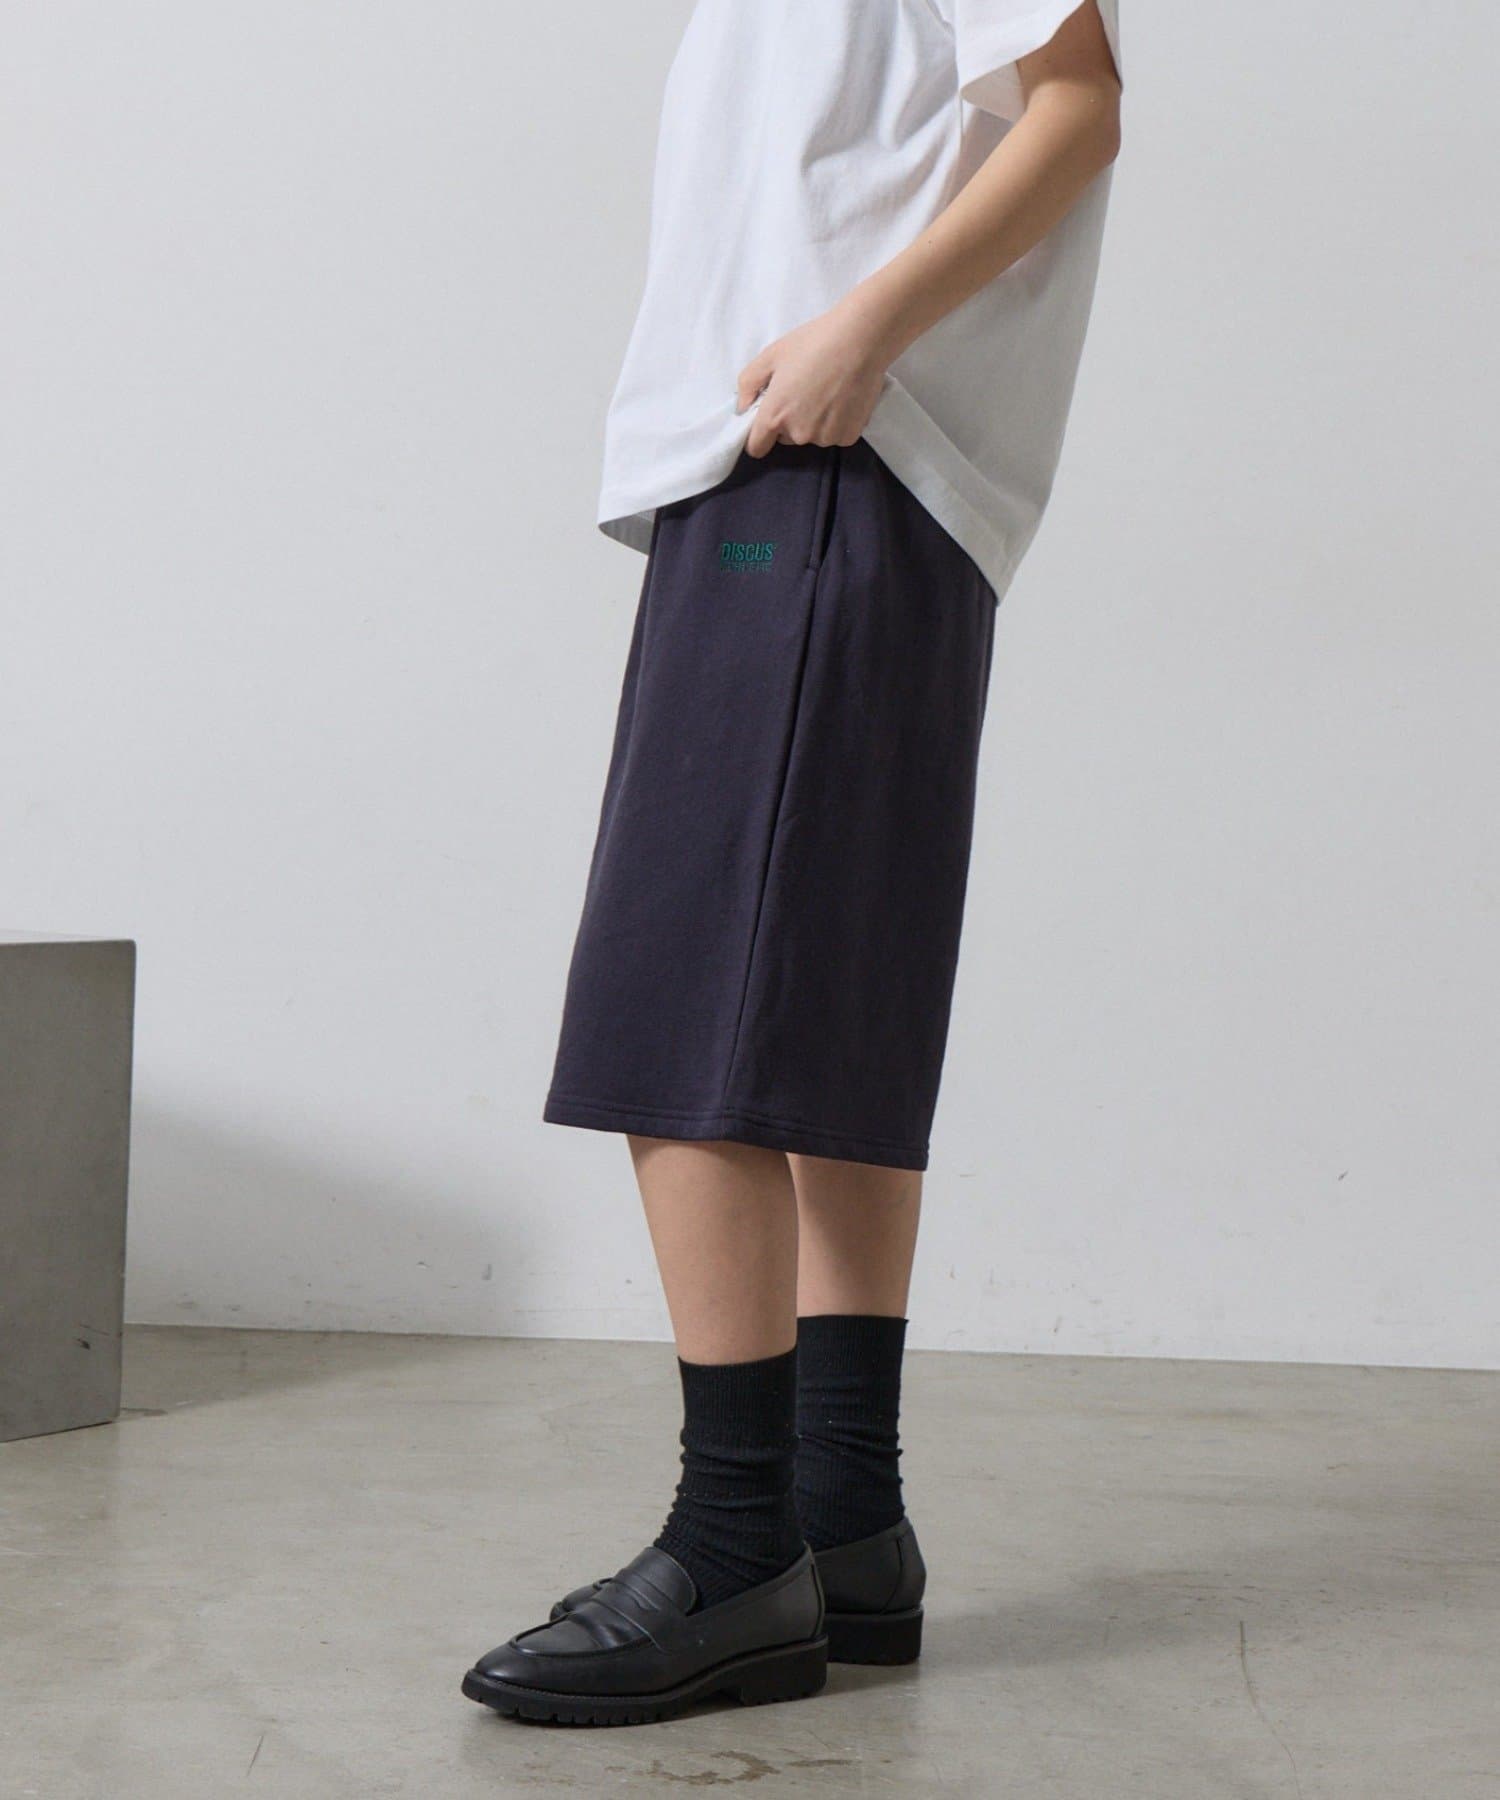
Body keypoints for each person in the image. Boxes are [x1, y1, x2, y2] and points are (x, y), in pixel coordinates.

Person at [464, 0, 1123, 1726]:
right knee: (826, 1003)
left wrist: (860, 336)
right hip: (828, 471)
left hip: (825, 458)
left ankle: (734, 1545)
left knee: (693, 1009)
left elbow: (1076, 107)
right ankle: (846, 1518)